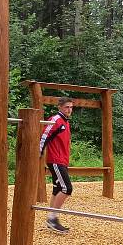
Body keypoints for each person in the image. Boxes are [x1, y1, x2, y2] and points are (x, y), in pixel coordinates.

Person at [39, 97, 74, 234]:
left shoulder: (65, 121)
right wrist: (39, 152)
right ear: (59, 107)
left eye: (71, 107)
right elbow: (44, 135)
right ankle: (52, 218)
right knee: (67, 188)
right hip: (55, 160)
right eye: (67, 107)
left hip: (62, 161)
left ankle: (51, 217)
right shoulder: (55, 120)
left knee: (57, 188)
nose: (69, 110)